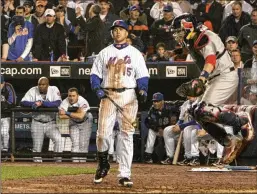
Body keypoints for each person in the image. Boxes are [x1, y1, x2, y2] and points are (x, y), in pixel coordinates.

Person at [171, 13, 253, 164]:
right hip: (215, 78)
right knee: (195, 112)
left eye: (179, 30)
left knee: (203, 109)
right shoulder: (193, 36)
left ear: (188, 26)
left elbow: (210, 60)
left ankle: (241, 121)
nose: (177, 34)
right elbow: (193, 50)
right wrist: (178, 52)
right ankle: (228, 141)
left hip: (224, 76)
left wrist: (201, 79)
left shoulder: (204, 36)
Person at [90, 19, 149, 187]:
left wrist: (143, 89)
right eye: (114, 29)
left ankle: (124, 174)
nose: (117, 32)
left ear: (126, 33)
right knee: (102, 134)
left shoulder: (135, 53)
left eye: (120, 29)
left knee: (126, 135)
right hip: (108, 94)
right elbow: (94, 75)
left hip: (128, 96)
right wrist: (96, 88)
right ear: (112, 33)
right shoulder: (104, 53)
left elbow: (143, 75)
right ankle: (103, 164)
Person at [20, 77, 62, 162]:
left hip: (51, 123)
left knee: (59, 140)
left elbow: (58, 103)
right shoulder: (33, 90)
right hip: (37, 122)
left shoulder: (54, 89)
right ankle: (37, 166)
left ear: (48, 85)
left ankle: (58, 162)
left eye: (43, 84)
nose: (41, 86)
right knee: (37, 147)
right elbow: (22, 102)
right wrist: (34, 103)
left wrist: (42, 103)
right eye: (39, 84)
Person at [144, 92, 180, 164]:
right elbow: (148, 122)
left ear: (162, 101)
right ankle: (148, 155)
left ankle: (170, 157)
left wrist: (178, 123)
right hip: (160, 130)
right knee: (151, 131)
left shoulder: (171, 106)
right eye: (154, 101)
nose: (155, 103)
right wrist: (158, 129)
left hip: (173, 130)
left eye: (157, 101)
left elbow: (182, 104)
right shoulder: (152, 109)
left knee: (167, 131)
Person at [58, 87, 93, 162]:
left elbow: (80, 116)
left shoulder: (83, 101)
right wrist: (76, 113)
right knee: (75, 144)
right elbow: (61, 116)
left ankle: (83, 164)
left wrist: (67, 113)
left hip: (86, 122)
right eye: (70, 96)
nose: (71, 98)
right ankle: (75, 164)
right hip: (73, 122)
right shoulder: (65, 101)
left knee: (83, 145)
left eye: (73, 96)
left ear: (77, 96)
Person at [173, 96, 201, 166]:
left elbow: (197, 121)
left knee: (193, 131)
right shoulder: (185, 104)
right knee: (187, 129)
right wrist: (177, 125)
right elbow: (181, 119)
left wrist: (181, 126)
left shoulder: (201, 102)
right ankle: (188, 156)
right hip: (190, 125)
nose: (189, 96)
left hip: (202, 125)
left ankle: (195, 157)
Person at [1, 75, 16, 152]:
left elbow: (13, 102)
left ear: (3, 83)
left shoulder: (8, 87)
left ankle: (5, 151)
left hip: (5, 116)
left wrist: (3, 103)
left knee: (4, 133)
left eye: (0, 84)